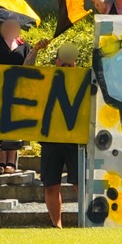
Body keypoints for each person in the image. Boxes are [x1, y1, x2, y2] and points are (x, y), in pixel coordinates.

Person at [28, 38, 82, 228]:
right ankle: (56, 226)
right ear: (56, 61)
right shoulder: (46, 77)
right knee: (51, 184)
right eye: (63, 58)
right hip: (50, 139)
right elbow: (25, 73)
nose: (66, 62)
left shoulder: (83, 78)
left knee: (81, 184)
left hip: (76, 140)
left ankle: (88, 223)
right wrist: (35, 49)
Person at [0, 16, 34, 186]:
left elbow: (29, 63)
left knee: (14, 123)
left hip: (18, 87)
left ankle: (11, 159)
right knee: (1, 122)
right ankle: (2, 158)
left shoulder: (24, 44)